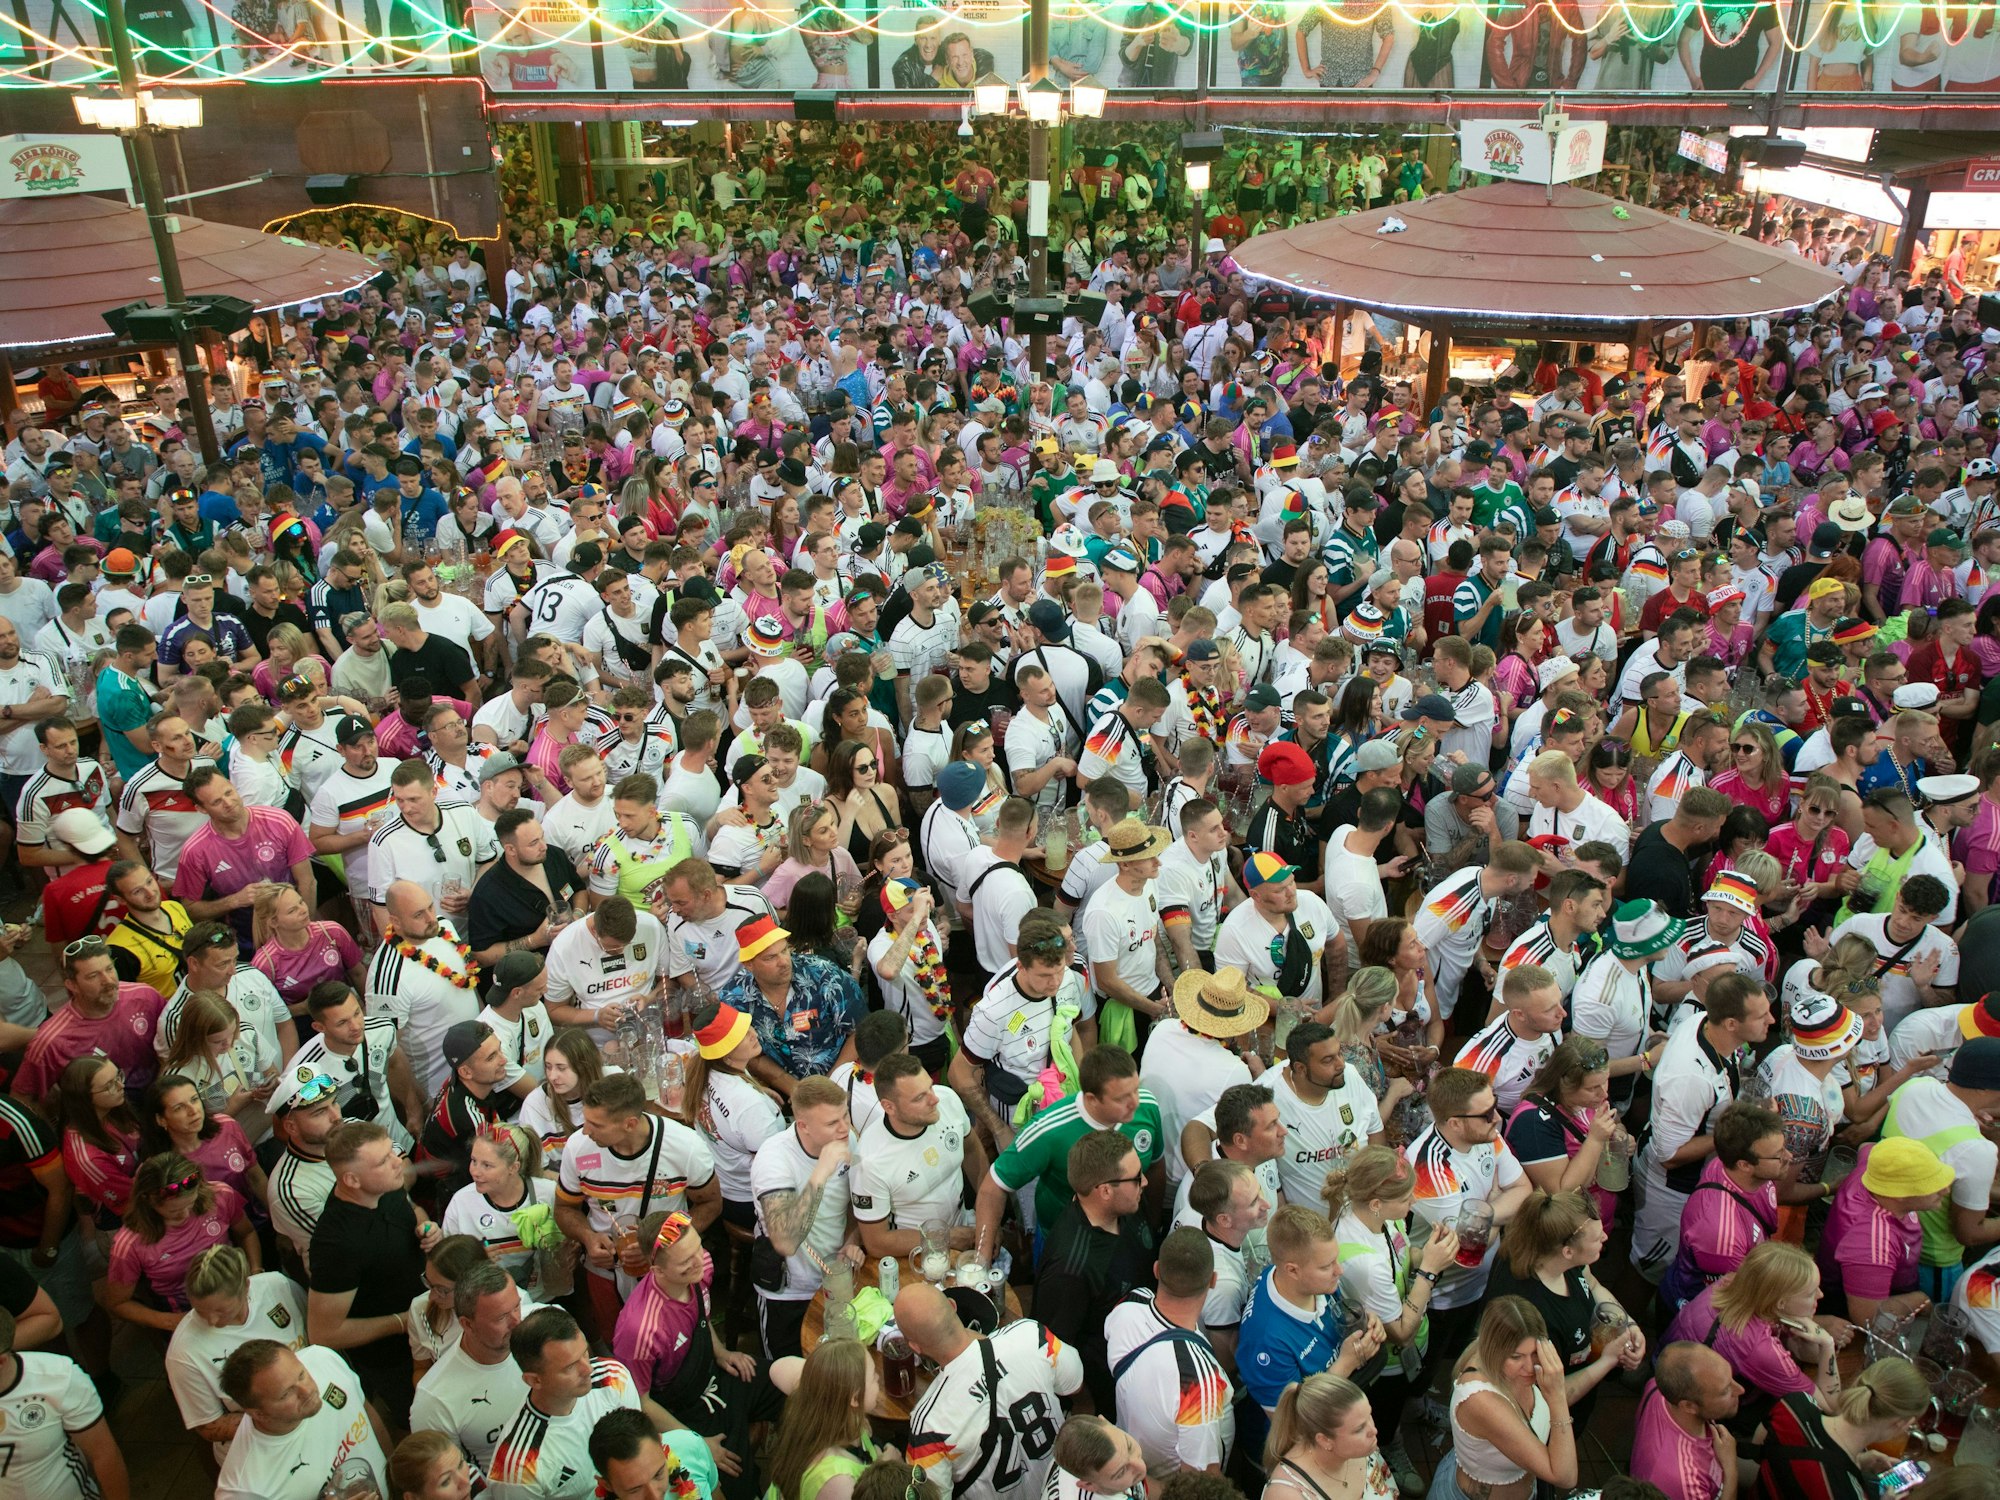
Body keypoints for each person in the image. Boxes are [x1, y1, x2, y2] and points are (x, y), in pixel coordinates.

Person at [613, 1209, 781, 1500]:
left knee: (792, 1383)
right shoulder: (639, 1329)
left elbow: (701, 1313)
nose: (698, 1263)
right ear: (657, 1271)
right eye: (685, 1262)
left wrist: (721, 1352)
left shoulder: (699, 1265)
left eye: (698, 1247)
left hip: (715, 1375)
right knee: (738, 1482)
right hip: (684, 1412)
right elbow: (639, 1401)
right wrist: (696, 1444)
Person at [1317, 1146, 1455, 1493]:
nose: (1413, 1203)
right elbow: (1402, 1333)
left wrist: (1431, 1252)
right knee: (1387, 1410)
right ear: (1377, 1201)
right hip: (1388, 1361)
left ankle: (1412, 1411)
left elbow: (1404, 1252)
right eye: (1407, 1197)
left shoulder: (1374, 1213)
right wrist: (1431, 1270)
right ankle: (1392, 1445)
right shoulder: (1364, 1262)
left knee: (1406, 1393)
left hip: (1410, 1340)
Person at [555, 1070, 719, 1335]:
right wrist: (587, 1237)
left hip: (668, 1272)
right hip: (605, 1269)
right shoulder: (577, 1148)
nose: (585, 1131)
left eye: (596, 1124)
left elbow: (711, 1204)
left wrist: (660, 1246)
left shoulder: (685, 1147)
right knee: (616, 1337)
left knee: (677, 1337)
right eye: (585, 1120)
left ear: (630, 1124)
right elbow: (564, 1208)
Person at [899, 1280, 1084, 1500]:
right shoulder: (1030, 1335)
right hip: (1067, 1489)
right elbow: (1075, 1384)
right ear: (952, 1305)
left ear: (915, 1347)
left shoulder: (929, 1425)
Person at [308, 1119, 440, 1427]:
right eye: (384, 1161)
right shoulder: (337, 1244)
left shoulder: (385, 1186)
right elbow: (324, 1332)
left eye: (392, 1152)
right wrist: (401, 1322)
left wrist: (427, 1229)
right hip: (394, 1359)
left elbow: (410, 1211)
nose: (398, 1163)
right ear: (352, 1180)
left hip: (431, 1328)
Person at [1405, 1066, 1532, 1361]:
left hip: (1482, 1283)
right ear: (1455, 1124)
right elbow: (1465, 1250)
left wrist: (1485, 1215)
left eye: (1495, 1105)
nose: (1497, 1118)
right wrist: (1498, 1203)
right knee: (1432, 1364)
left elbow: (1524, 1189)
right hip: (1441, 1295)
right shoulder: (1429, 1167)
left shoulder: (1487, 1134)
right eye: (1486, 1114)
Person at [1486, 1189, 1645, 1425]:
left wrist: (1628, 1322)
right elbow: (1542, 1396)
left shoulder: (1551, 1254)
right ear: (1567, 1251)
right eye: (1596, 1237)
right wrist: (1608, 1361)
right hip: (1550, 1422)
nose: (1605, 1239)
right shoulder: (1531, 1315)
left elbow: (1592, 1284)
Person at [485, 1307, 665, 1500]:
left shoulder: (613, 1378)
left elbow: (640, 1453)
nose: (587, 1369)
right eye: (570, 1366)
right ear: (534, 1380)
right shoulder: (518, 1467)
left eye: (585, 1353)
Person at [1037, 1128, 1158, 1415]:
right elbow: (1053, 1348)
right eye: (1135, 1177)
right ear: (1105, 1191)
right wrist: (1085, 1404)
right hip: (1107, 1386)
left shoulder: (1128, 1205)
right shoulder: (1071, 1267)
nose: (1145, 1181)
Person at [1663, 1240, 1843, 1429]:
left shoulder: (1736, 1282)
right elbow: (1830, 1406)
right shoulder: (1759, 1348)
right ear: (1780, 1303)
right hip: (1710, 1413)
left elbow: (1797, 1349)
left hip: (1671, 1372)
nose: (1820, 1295)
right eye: (1810, 1293)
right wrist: (1827, 1344)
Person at [164, 1244, 309, 1463]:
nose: (211, 1321)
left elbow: (316, 1335)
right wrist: (280, 1417)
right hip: (263, 1449)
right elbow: (209, 1425)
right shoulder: (184, 1353)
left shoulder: (276, 1286)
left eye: (221, 1311)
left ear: (246, 1287)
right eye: (201, 1311)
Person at [749, 1073, 857, 1360]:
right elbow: (785, 1242)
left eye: (845, 1116)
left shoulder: (848, 1139)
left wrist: (852, 1239)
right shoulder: (773, 1159)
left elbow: (855, 1203)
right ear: (803, 1126)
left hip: (837, 1283)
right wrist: (821, 1171)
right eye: (833, 1123)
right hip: (789, 1293)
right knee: (788, 1384)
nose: (845, 1128)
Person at [1430, 1296, 1577, 1500]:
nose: (1530, 1366)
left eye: (1535, 1352)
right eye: (1516, 1357)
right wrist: (1557, 1397)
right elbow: (1565, 1477)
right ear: (1494, 1349)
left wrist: (1607, 1360)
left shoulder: (1510, 1369)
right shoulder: (1481, 1400)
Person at [215, 1340, 394, 1500]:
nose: (307, 1391)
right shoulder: (245, 1489)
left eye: (302, 1375)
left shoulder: (321, 1359)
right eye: (286, 1393)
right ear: (258, 1413)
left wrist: (395, 1475)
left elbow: (366, 1413)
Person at [103, 1150, 258, 1333]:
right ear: (148, 1202)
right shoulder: (129, 1244)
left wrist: (255, 1273)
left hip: (235, 1288)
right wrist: (170, 1321)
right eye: (174, 1213)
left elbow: (247, 1233)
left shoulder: (220, 1195)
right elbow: (117, 1302)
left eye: (190, 1205)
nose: (185, 1215)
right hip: (184, 1311)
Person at [1658, 1102, 1788, 1315]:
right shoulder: (1721, 1234)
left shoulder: (1731, 1162)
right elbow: (1735, 1303)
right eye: (1778, 1155)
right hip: (1702, 1316)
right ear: (1744, 1165)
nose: (1788, 1157)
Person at [406, 1258, 534, 1471]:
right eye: (501, 1317)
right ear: (467, 1324)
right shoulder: (435, 1400)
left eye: (517, 1306)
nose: (517, 1322)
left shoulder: (546, 1333)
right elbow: (447, 1480)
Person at [1819, 1137, 1954, 1325]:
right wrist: (1920, 1300)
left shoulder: (1876, 1170)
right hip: (1853, 1320)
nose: (1945, 1190)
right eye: (1931, 1184)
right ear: (1898, 1194)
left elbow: (1866, 1146)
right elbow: (1867, 1316)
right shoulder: (1871, 1242)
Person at [1757, 1358, 1932, 1500]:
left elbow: (1758, 1447)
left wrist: (1857, 1461)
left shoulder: (1794, 1404)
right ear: (1899, 1424)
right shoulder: (1849, 1492)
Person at [764, 1337, 884, 1500]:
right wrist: (883, 1468)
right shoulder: (838, 1482)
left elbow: (777, 1368)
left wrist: (828, 1377)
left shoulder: (816, 1403)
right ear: (854, 1399)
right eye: (873, 1377)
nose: (878, 1378)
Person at [1630, 1343, 1743, 1500]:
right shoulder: (1684, 1481)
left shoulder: (1659, 1386)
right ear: (1689, 1406)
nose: (1740, 1389)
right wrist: (1730, 1468)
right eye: (1725, 1391)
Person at [1262, 1371, 1395, 1500]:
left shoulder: (1364, 1446)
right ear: (1325, 1440)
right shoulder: (1287, 1494)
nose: (1373, 1430)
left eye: (1369, 1415)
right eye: (1359, 1429)